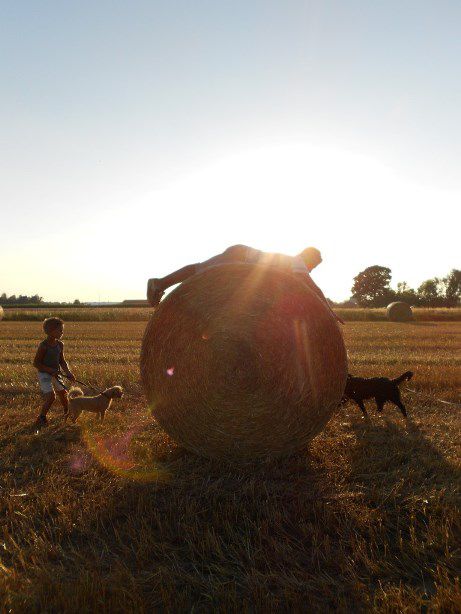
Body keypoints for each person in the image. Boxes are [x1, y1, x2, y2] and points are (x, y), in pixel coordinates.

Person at [147, 245, 344, 323]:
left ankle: (163, 286)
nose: (311, 270)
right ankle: (160, 283)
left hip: (241, 255)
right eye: (314, 265)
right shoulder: (297, 262)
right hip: (240, 256)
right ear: (308, 257)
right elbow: (312, 287)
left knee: (202, 272)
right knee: (202, 273)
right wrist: (328, 311)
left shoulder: (288, 263)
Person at [33, 317, 75, 428]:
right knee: (51, 397)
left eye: (62, 330)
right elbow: (36, 363)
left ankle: (67, 412)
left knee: (63, 394)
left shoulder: (60, 345)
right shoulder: (43, 346)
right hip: (44, 374)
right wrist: (50, 370)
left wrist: (68, 373)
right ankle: (41, 417)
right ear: (50, 331)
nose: (62, 332)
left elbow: (62, 361)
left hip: (56, 374)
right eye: (60, 330)